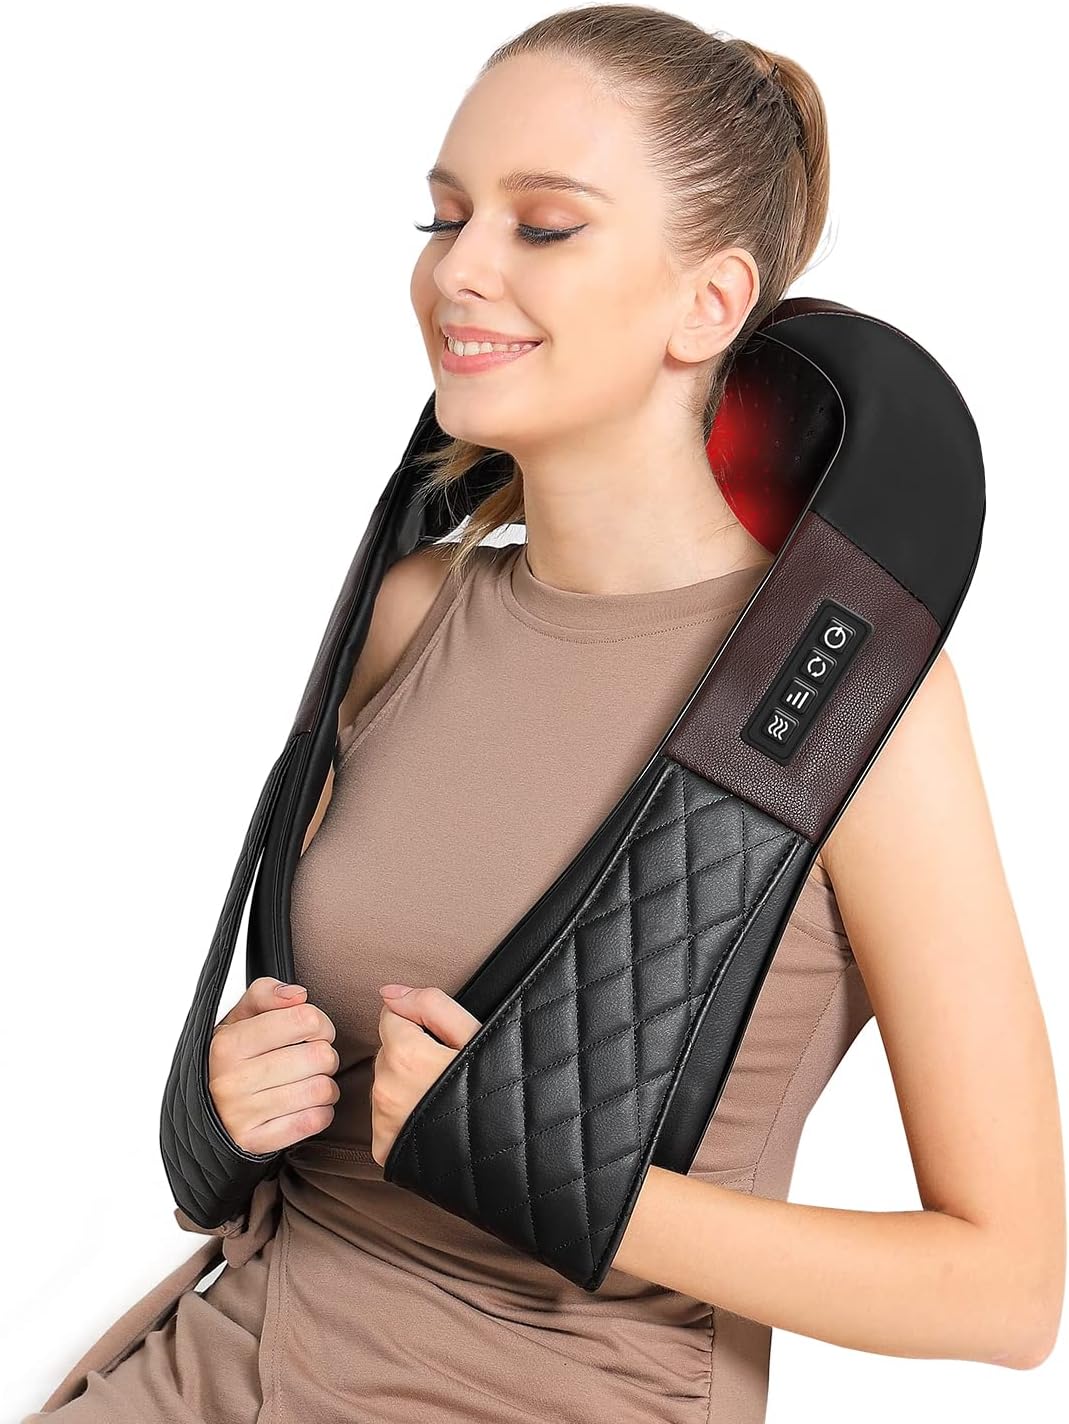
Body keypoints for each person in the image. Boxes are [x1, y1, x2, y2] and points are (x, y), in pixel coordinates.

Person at [26, 6, 1064, 1421]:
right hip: (219, 1359)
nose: (459, 269)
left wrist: (582, 1190)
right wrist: (236, 1096)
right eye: (444, 216)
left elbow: (1007, 1291)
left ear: (709, 304)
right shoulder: (411, 616)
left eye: (546, 226)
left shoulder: (854, 707)